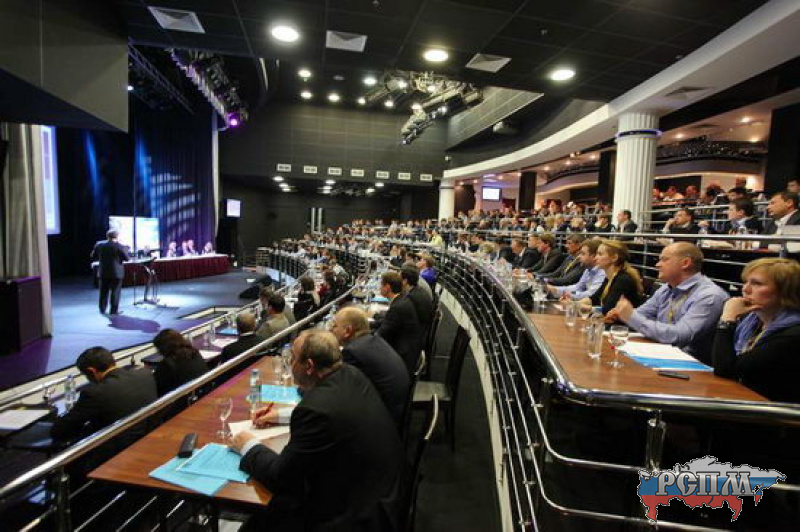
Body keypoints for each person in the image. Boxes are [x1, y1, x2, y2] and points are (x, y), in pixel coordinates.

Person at [234, 331, 405, 531]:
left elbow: (281, 477)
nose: (290, 363)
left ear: (309, 366)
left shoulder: (316, 409)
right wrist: (279, 416)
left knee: (266, 516)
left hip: (354, 517)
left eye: (293, 358)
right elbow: (332, 411)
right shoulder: (351, 374)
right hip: (384, 495)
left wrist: (248, 445)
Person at [607, 243, 729, 362]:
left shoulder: (709, 296)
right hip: (661, 354)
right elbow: (641, 314)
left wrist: (630, 316)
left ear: (685, 263)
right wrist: (620, 315)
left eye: (664, 259)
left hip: (691, 366)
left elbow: (678, 336)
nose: (657, 264)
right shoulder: (667, 288)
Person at [712, 258, 800, 402]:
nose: (745, 289)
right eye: (746, 282)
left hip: (774, 410)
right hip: (744, 398)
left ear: (785, 291)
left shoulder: (792, 335)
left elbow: (726, 369)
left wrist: (727, 319)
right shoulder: (752, 321)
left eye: (757, 283)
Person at [51, 347, 157, 442]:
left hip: (113, 446)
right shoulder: (145, 373)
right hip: (145, 434)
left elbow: (59, 430)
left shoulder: (95, 393)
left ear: (91, 371)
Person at [331, 307, 410, 426]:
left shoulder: (353, 352)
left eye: (335, 326)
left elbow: (340, 390)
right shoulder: (374, 340)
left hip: (383, 420)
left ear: (348, 331)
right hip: (396, 409)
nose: (331, 329)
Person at [376, 271, 421, 373]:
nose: (379, 288)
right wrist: (366, 324)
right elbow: (386, 322)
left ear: (387, 287)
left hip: (402, 359)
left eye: (381, 285)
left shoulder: (397, 307)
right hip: (407, 351)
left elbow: (380, 335)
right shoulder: (401, 300)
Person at [581, 240, 643, 315]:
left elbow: (608, 309)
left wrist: (585, 308)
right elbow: (594, 298)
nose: (595, 258)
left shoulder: (623, 280)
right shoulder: (609, 277)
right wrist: (575, 304)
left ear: (614, 258)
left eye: (600, 254)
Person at [152, 329, 208, 396]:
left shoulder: (166, 365)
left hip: (185, 398)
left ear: (163, 348)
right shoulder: (194, 352)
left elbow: (157, 387)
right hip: (204, 392)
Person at [91, 229, 131, 315]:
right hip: (116, 273)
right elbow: (127, 258)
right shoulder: (120, 246)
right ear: (117, 236)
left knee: (103, 292)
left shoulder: (99, 245)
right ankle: (113, 311)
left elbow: (93, 256)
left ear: (107, 236)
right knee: (115, 292)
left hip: (103, 272)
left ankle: (102, 309)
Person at [401, 264, 434, 330]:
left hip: (416, 328)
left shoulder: (411, 297)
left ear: (405, 280)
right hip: (421, 324)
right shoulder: (417, 288)